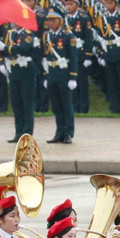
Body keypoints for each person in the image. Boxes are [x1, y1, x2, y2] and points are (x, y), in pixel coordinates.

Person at [43, 9, 77, 144]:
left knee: (66, 105)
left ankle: (68, 132)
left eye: (53, 20)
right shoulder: (47, 37)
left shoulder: (68, 36)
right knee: (56, 106)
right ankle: (59, 132)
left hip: (64, 74)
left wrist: (73, 77)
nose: (51, 23)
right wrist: (46, 76)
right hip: (52, 73)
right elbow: (46, 57)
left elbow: (73, 57)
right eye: (49, 20)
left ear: (59, 20)